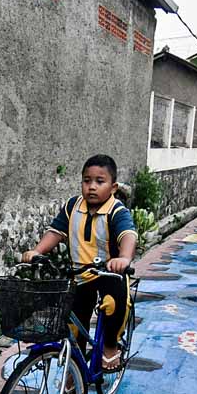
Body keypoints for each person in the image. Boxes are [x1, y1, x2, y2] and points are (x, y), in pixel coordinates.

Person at [22, 154, 137, 373]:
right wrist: (37, 251)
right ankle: (73, 374)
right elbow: (55, 232)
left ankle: (111, 347)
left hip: (109, 275)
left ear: (113, 187)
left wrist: (123, 258)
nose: (92, 187)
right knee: (73, 328)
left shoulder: (116, 210)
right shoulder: (73, 206)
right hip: (80, 275)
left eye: (99, 182)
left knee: (114, 303)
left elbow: (127, 235)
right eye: (87, 180)